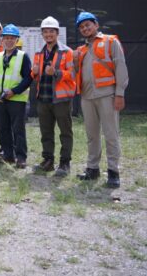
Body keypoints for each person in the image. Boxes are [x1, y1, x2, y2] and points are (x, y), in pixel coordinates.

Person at [75, 12, 129, 189]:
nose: (85, 28)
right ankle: (92, 169)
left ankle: (113, 172)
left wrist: (120, 92)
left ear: (96, 25)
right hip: (87, 96)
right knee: (92, 135)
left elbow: (120, 65)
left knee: (111, 134)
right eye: (82, 27)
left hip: (107, 95)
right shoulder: (81, 50)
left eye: (88, 25)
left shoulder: (111, 42)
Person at [32, 16, 76, 177]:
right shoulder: (38, 53)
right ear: (42, 34)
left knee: (65, 131)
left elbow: (72, 74)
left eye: (51, 31)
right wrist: (34, 72)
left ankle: (65, 163)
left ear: (57, 33)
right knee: (46, 132)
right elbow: (36, 76)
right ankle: (48, 160)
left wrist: (56, 73)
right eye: (45, 32)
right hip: (43, 98)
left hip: (61, 100)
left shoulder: (67, 52)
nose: (48, 34)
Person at [0, 24, 32, 169]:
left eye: (12, 38)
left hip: (16, 99)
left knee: (18, 129)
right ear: (1, 40)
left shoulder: (23, 56)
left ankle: (21, 157)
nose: (8, 41)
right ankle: (8, 155)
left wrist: (14, 91)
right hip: (0, 99)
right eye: (6, 38)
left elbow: (28, 78)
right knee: (3, 128)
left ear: (17, 40)